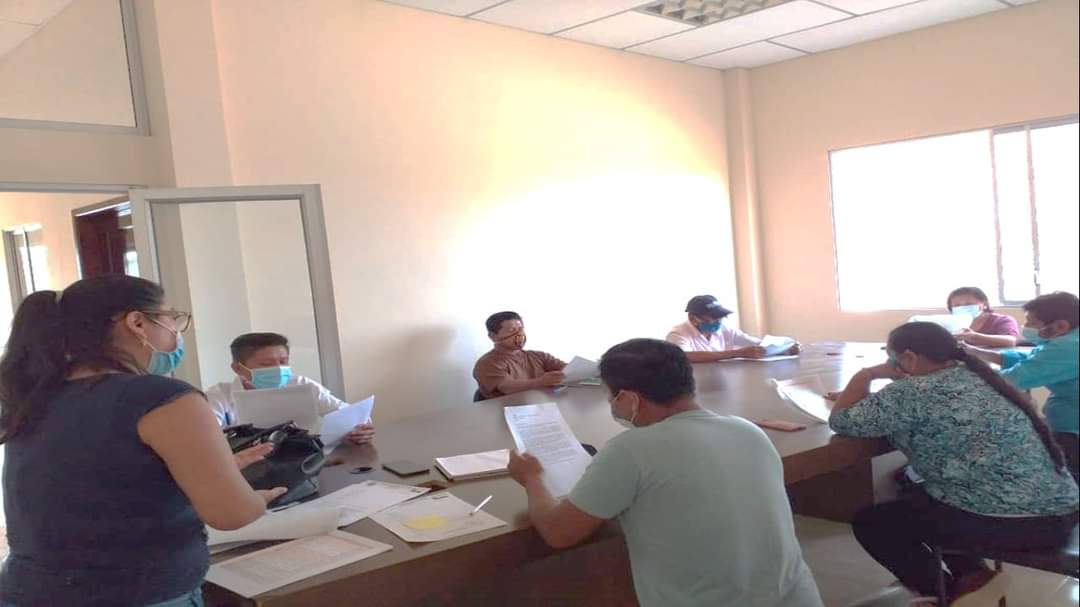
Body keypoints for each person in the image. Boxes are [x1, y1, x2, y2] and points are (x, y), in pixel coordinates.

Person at [0, 276, 285, 607]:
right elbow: (231, 514)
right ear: (137, 322)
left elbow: (93, 487)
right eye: (171, 318)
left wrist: (213, 470)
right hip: (133, 594)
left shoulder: (36, 396)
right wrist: (259, 498)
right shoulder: (163, 398)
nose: (176, 331)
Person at [507, 338, 823, 607]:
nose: (612, 405)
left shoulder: (631, 450)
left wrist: (532, 478)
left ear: (628, 398)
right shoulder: (747, 430)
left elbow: (558, 532)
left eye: (610, 396)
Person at [828, 322, 1078, 605]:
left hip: (1019, 524)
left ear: (908, 357)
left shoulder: (913, 391)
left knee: (873, 522)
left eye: (892, 359)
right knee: (915, 487)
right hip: (1061, 510)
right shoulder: (981, 376)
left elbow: (842, 420)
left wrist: (867, 374)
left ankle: (943, 593)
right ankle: (971, 575)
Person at [965, 291, 1079, 480]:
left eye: (1031, 323)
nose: (1025, 327)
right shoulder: (1067, 339)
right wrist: (975, 353)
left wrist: (959, 377)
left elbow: (1011, 380)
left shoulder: (1068, 347)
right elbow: (1032, 357)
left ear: (1060, 326)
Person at [204, 332, 375, 444]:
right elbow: (205, 439)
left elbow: (349, 414)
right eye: (267, 364)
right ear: (238, 368)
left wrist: (358, 429)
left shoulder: (302, 384)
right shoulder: (219, 396)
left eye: (283, 361)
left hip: (304, 463)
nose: (279, 369)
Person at [666, 295, 798, 363]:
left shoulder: (725, 330)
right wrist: (736, 353)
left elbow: (760, 345)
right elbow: (685, 356)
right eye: (712, 319)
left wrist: (785, 349)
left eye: (720, 318)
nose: (718, 322)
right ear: (693, 317)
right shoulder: (678, 334)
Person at [473, 311, 566, 399]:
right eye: (511, 330)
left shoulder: (539, 356)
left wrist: (571, 372)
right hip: (506, 408)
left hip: (541, 406)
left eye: (521, 329)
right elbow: (507, 387)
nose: (519, 334)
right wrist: (542, 381)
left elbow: (567, 368)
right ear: (493, 336)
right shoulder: (487, 363)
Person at [947, 286, 1020, 347]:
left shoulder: (1002, 320)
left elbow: (1010, 341)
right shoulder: (949, 324)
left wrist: (975, 337)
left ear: (984, 304)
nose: (963, 308)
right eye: (957, 305)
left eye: (968, 304)